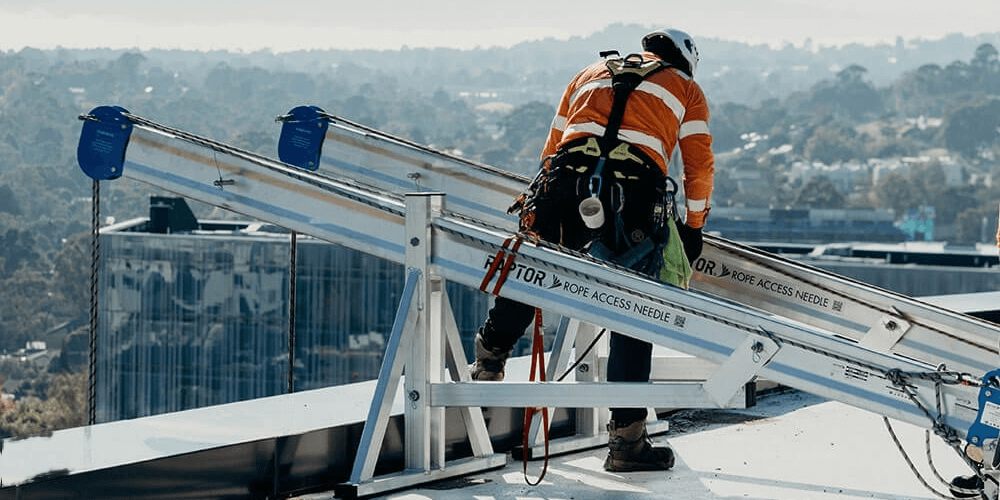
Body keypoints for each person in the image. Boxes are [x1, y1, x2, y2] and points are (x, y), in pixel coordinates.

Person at [471, 28, 715, 472]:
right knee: (632, 309)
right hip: (633, 195)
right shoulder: (686, 88)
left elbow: (552, 146)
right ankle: (626, 443)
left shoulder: (589, 71)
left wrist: (538, 206)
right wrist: (694, 227)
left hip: (564, 181)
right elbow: (699, 166)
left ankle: (489, 357)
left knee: (535, 272)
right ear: (684, 60)